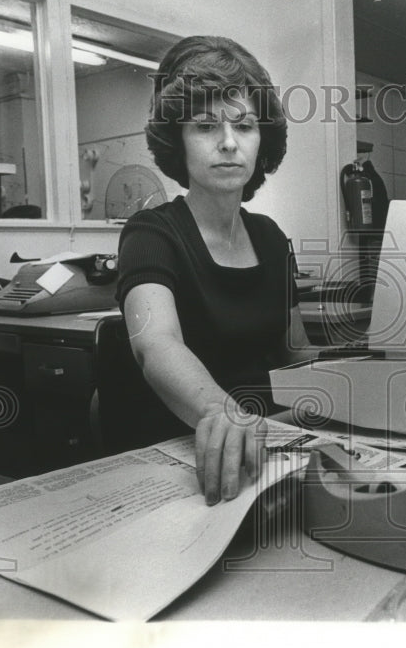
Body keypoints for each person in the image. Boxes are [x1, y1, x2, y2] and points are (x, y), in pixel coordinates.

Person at [116, 36, 316, 506]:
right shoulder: (151, 233)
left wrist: (367, 373)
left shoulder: (270, 236)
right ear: (178, 142)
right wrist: (222, 412)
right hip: (183, 460)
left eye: (244, 125)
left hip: (267, 450)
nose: (229, 143)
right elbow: (156, 345)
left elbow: (296, 351)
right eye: (205, 126)